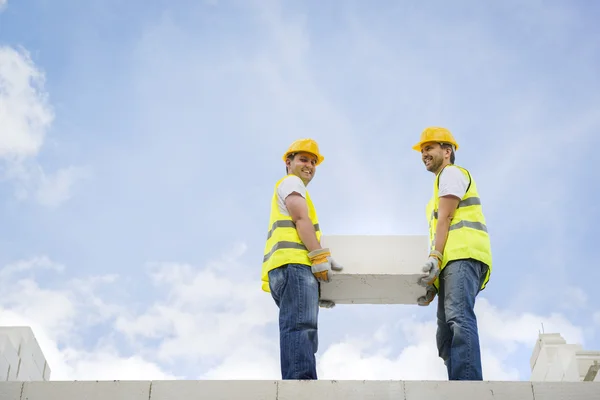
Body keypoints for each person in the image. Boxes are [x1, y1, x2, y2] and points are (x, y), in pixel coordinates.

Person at [413, 127, 492, 381]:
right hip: (450, 263)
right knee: (445, 336)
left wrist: (435, 256)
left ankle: (468, 387)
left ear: (447, 152)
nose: (424, 154)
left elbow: (446, 217)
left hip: (464, 255)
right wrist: (436, 284)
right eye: (422, 150)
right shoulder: (438, 188)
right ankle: (457, 383)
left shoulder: (452, 174)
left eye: (429, 148)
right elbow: (440, 225)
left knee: (458, 319)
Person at [261, 138, 343, 380]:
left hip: (289, 269)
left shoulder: (291, 185)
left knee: (298, 326)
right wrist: (318, 256)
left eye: (313, 162)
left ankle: (299, 381)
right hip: (294, 266)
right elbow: (300, 219)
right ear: (289, 162)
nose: (309, 165)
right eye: (303, 159)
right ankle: (300, 385)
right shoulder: (292, 183)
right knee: (301, 326)